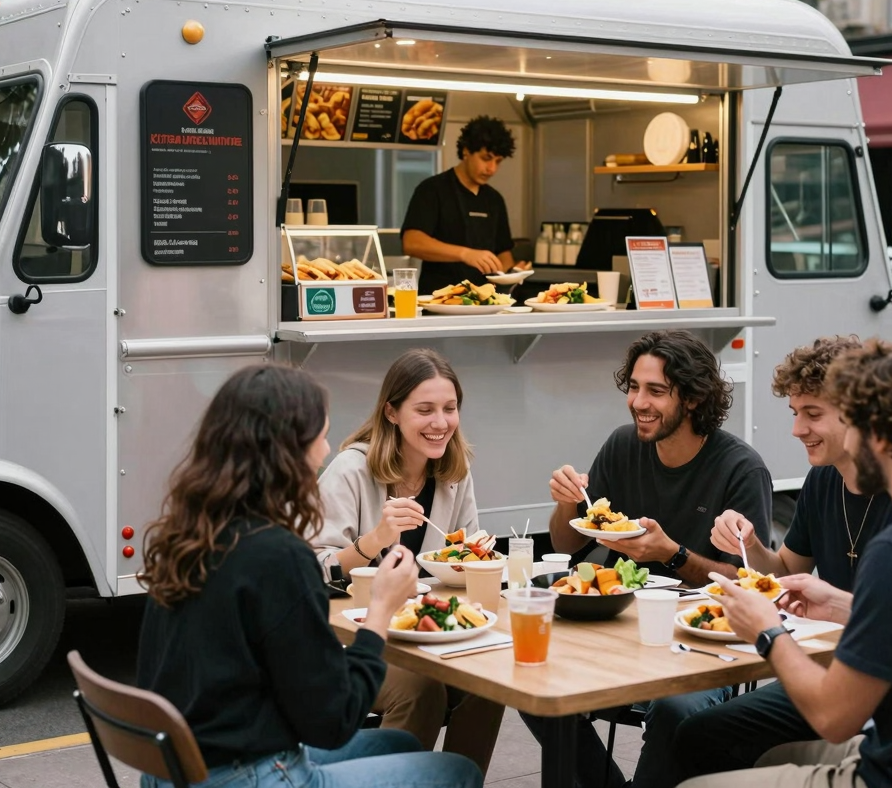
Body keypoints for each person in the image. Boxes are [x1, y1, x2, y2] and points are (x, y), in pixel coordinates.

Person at [135, 364, 481, 788]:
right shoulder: (278, 555)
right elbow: (332, 720)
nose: (325, 450)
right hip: (247, 774)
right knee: (458, 771)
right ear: (287, 452)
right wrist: (380, 611)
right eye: (319, 437)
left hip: (176, 767)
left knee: (398, 744)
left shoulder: (189, 534)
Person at [679, 338, 892, 788]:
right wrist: (846, 605)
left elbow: (833, 717)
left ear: (878, 433)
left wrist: (768, 632)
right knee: (721, 739)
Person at [522, 329, 773, 788]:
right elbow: (566, 544)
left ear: (694, 398)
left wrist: (672, 554)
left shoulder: (740, 468)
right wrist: (565, 503)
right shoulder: (623, 446)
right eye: (634, 387)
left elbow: (744, 583)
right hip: (621, 624)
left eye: (656, 391)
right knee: (530, 678)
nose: (639, 402)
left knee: (676, 706)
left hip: (705, 640)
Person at [655, 336, 892, 787]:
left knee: (703, 736)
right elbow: (782, 571)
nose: (797, 430)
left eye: (812, 414)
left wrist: (771, 629)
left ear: (858, 413)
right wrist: (750, 541)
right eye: (794, 413)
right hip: (829, 670)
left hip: (870, 689)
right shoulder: (823, 480)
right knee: (695, 733)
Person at [315, 348, 504, 775]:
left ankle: (456, 782)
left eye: (449, 408)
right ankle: (397, 780)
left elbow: (456, 564)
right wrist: (375, 540)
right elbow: (317, 568)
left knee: (489, 682)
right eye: (425, 410)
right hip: (352, 636)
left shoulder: (453, 471)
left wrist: (472, 556)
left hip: (426, 627)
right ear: (392, 412)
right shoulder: (350, 470)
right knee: (422, 690)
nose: (440, 423)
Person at [401, 114, 526, 295]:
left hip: (484, 302)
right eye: (486, 158)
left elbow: (503, 253)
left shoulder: (494, 200)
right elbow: (412, 242)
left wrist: (511, 273)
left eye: (498, 161)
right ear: (466, 151)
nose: (492, 168)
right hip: (438, 302)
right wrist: (465, 254)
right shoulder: (432, 189)